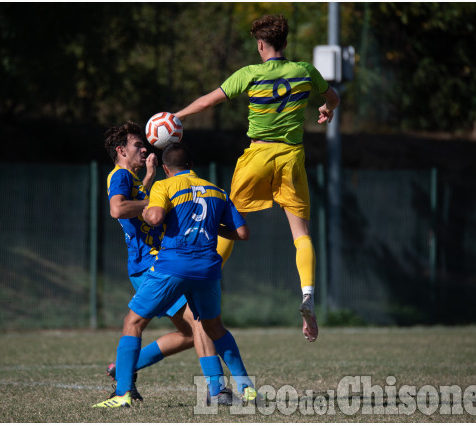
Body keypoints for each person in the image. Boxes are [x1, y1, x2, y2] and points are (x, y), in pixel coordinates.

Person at [174, 14, 340, 343]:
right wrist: (327, 109)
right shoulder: (305, 71)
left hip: (257, 157)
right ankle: (307, 294)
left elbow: (208, 101)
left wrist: (174, 116)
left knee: (229, 219)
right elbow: (333, 96)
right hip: (291, 157)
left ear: (261, 44)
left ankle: (204, 281)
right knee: (301, 234)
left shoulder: (250, 74)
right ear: (285, 43)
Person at [93, 143, 259, 409]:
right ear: (191, 165)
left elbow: (156, 217)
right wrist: (212, 225)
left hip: (172, 266)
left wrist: (149, 211)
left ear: (166, 169)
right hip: (208, 270)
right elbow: (242, 233)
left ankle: (122, 392)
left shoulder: (164, 186)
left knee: (133, 322)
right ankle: (246, 389)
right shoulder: (217, 191)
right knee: (212, 327)